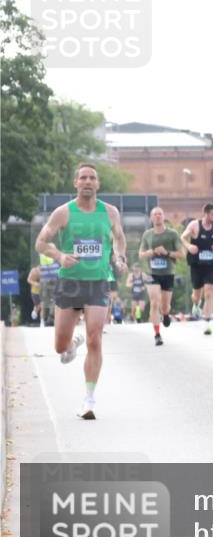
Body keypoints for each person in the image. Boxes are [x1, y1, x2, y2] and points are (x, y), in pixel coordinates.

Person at [34, 163, 127, 420]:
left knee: (95, 337)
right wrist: (60, 255)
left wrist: (118, 258)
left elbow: (119, 238)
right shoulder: (63, 213)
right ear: (76, 182)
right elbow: (41, 242)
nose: (88, 181)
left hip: (98, 282)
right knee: (59, 346)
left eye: (92, 178)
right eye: (83, 177)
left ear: (98, 184)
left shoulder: (110, 212)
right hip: (70, 283)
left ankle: (88, 400)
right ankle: (71, 345)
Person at [140, 207, 186, 346]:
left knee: (165, 306)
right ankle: (157, 334)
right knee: (154, 302)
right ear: (151, 218)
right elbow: (141, 255)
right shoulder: (147, 235)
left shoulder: (172, 234)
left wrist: (166, 253)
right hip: (151, 272)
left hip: (167, 273)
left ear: (163, 216)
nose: (158, 216)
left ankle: (165, 314)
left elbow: (182, 255)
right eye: (155, 214)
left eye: (160, 214)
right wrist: (152, 252)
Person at [181, 203, 213, 335]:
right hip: (197, 265)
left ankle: (207, 322)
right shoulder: (194, 225)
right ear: (206, 214)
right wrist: (189, 247)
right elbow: (183, 237)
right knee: (197, 295)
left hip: (210, 264)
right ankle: (196, 304)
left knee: (209, 292)